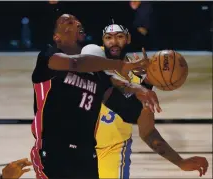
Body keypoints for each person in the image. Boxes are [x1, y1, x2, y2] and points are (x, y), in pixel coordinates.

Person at [30, 14, 161, 179]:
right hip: (53, 153)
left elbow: (129, 112)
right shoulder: (48, 57)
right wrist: (120, 65)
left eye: (77, 21)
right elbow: (76, 63)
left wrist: (145, 84)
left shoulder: (98, 75)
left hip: (86, 157)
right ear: (57, 37)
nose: (76, 22)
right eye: (68, 22)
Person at [81, 23, 209, 178]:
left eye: (119, 37)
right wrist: (138, 80)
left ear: (128, 39)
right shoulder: (92, 53)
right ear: (102, 41)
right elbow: (104, 80)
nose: (113, 42)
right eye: (108, 38)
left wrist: (180, 162)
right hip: (78, 147)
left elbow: (148, 132)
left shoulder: (139, 82)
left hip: (112, 152)